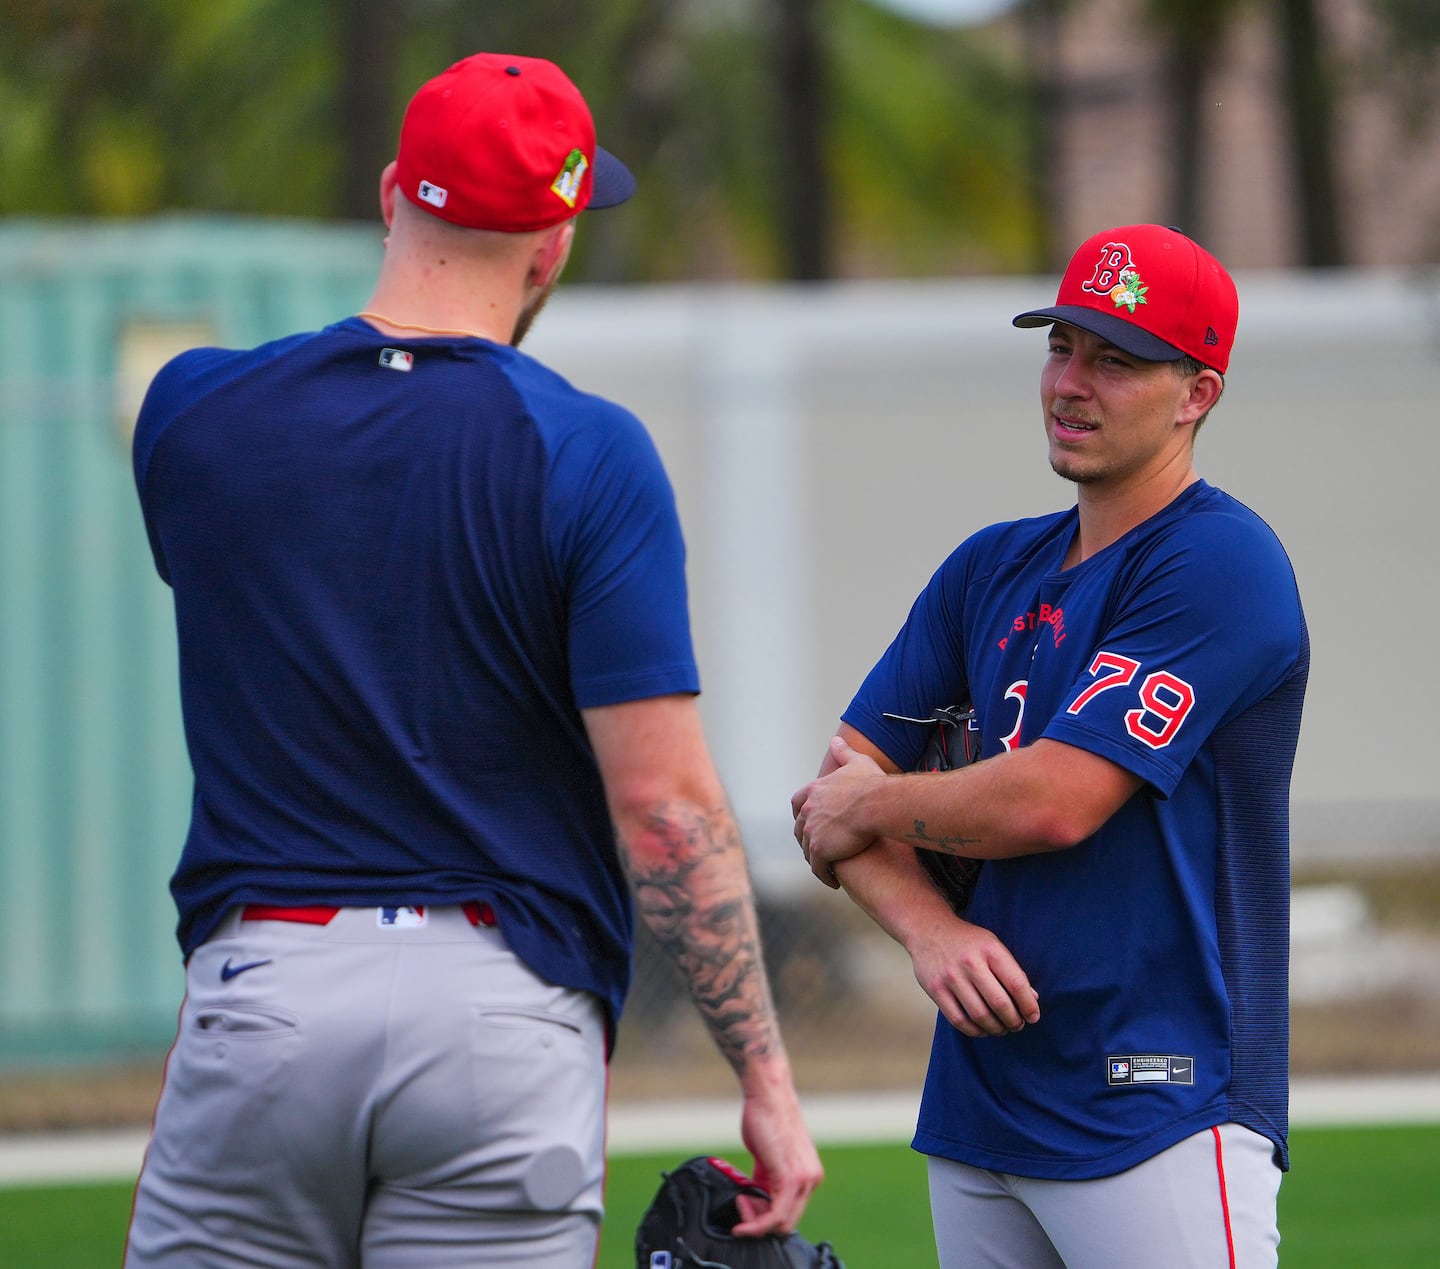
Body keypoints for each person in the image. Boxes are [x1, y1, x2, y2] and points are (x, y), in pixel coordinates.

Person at [125, 51, 821, 1268]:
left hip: (268, 986)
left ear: (394, 191)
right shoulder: (591, 452)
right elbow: (662, 805)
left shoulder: (193, 416)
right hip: (501, 1013)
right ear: (551, 246)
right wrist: (763, 1073)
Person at [791, 224, 1307, 1268]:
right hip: (981, 1108)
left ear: (1197, 392)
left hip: (1162, 1099)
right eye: (1062, 346)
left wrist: (875, 808)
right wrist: (931, 933)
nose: (1072, 383)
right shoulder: (990, 567)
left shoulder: (1221, 562)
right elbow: (831, 795)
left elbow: (1051, 802)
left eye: (1116, 359)